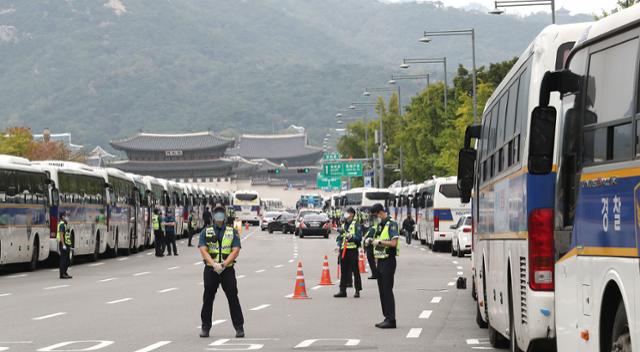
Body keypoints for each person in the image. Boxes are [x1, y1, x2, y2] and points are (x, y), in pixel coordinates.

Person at [199, 205, 245, 338]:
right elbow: (203, 249)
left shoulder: (232, 232)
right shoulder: (206, 232)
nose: (219, 215)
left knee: (233, 298)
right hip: (211, 269)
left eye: (221, 212)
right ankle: (205, 327)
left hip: (227, 269)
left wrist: (224, 264)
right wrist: (214, 264)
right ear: (213, 215)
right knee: (207, 299)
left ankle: (239, 328)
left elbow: (235, 250)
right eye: (216, 212)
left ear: (224, 216)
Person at [365, 203, 399, 329]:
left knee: (387, 290)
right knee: (382, 291)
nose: (375, 218)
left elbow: (394, 243)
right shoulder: (380, 226)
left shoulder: (392, 224)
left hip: (389, 261)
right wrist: (371, 241)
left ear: (380, 213)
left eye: (375, 215)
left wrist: (379, 242)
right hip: (380, 261)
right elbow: (377, 242)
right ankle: (386, 317)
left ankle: (391, 319)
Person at [334, 208, 362, 298]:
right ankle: (342, 291)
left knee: (355, 271)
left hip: (352, 250)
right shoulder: (343, 225)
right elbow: (340, 237)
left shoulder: (356, 225)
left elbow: (359, 238)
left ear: (352, 214)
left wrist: (351, 236)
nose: (346, 214)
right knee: (343, 271)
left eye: (348, 213)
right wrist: (338, 245)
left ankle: (357, 290)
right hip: (343, 251)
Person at [57, 211, 72, 279]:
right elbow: (61, 234)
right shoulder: (62, 224)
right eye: (66, 216)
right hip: (63, 244)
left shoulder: (65, 224)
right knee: (64, 260)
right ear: (62, 217)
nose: (67, 217)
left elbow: (67, 234)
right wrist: (63, 244)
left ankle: (65, 272)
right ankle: (62, 274)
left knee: (67, 260)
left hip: (67, 244)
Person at [363, 214, 378, 280]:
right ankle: (374, 273)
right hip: (369, 247)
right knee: (372, 261)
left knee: (372, 261)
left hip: (371, 247)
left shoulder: (374, 228)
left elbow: (369, 237)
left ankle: (375, 274)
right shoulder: (371, 228)